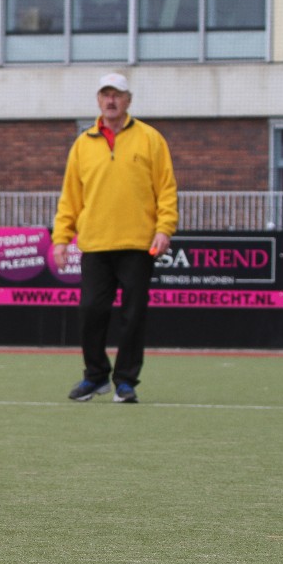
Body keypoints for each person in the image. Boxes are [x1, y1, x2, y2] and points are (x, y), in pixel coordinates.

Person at [51, 73, 177, 404]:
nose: (111, 100)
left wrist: (164, 228)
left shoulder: (150, 139)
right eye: (105, 95)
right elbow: (70, 197)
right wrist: (61, 238)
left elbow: (166, 189)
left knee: (133, 315)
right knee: (91, 311)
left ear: (128, 100)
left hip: (138, 243)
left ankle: (125, 381)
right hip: (95, 243)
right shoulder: (82, 144)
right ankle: (95, 376)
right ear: (98, 100)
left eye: (117, 95)